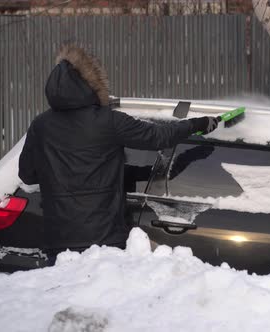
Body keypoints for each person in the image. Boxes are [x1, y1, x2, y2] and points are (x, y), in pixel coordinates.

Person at [18, 44, 218, 257]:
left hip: (58, 244)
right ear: (92, 85)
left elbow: (27, 175)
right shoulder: (109, 121)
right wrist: (198, 124)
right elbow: (159, 137)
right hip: (104, 242)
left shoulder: (40, 125)